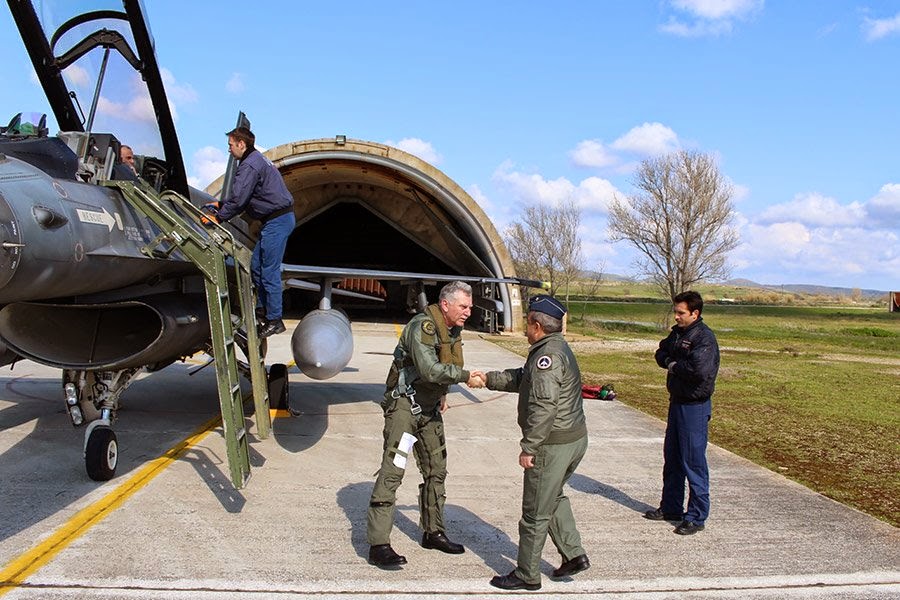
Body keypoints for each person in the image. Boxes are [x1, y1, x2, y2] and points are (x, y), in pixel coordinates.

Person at [366, 281, 484, 569]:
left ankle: (433, 532)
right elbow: (429, 368)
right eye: (463, 306)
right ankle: (378, 544)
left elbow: (443, 364)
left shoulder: (453, 331)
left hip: (429, 411)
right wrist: (466, 376)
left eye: (469, 306)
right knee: (393, 471)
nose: (468, 312)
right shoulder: (423, 327)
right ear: (445, 305)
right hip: (406, 410)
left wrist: (443, 393)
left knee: (436, 470)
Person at [479, 294, 590, 591]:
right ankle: (574, 554)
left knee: (534, 513)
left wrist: (530, 447)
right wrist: (487, 378)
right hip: (573, 439)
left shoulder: (547, 357)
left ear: (537, 325)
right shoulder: (553, 348)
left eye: (527, 322)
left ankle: (527, 574)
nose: (525, 328)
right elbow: (522, 378)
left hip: (552, 445)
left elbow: (544, 406)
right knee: (551, 498)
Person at [206, 126, 295, 338]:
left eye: (230, 145)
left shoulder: (249, 166)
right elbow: (246, 195)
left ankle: (275, 319)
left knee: (269, 271)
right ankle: (263, 310)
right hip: (274, 221)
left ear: (241, 144)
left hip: (278, 221)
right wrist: (221, 203)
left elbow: (240, 200)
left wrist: (217, 218)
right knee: (256, 267)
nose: (229, 150)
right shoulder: (257, 160)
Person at [644, 290, 720, 535]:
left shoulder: (704, 338)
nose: (676, 316)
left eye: (681, 312)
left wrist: (675, 364)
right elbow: (661, 353)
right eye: (675, 311)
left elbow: (698, 370)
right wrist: (672, 362)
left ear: (695, 313)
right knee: (673, 458)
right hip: (676, 402)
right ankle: (671, 507)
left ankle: (696, 516)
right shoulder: (677, 334)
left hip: (694, 407)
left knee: (693, 462)